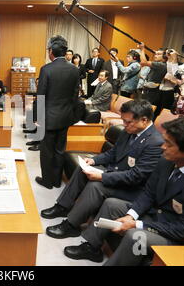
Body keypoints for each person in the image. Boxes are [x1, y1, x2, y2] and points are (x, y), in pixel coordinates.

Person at [63, 117, 184, 265]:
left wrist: (137, 224)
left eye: (169, 144)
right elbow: (149, 193)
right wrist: (131, 216)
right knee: (112, 205)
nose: (162, 147)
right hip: (155, 214)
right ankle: (92, 247)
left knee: (136, 236)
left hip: (173, 233)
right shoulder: (166, 161)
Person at [42, 100, 164, 240]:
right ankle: (63, 206)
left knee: (96, 186)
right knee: (84, 169)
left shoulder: (155, 143)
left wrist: (103, 177)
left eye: (128, 122)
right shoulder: (129, 130)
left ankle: (71, 225)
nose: (124, 125)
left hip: (132, 188)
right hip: (117, 174)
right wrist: (93, 161)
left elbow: (136, 176)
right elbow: (113, 153)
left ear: (144, 120)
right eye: (123, 121)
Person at [35, 35, 80, 189]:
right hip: (65, 117)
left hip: (48, 118)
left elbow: (40, 96)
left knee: (46, 151)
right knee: (60, 150)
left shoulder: (46, 69)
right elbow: (75, 96)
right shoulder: (74, 70)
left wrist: (36, 117)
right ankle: (56, 180)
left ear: (51, 52)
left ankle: (47, 181)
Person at [139, 43, 168, 107]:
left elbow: (143, 62)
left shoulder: (161, 65)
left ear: (165, 56)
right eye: (155, 54)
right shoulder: (159, 64)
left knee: (145, 111)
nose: (155, 55)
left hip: (152, 93)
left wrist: (142, 49)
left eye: (158, 54)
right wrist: (156, 53)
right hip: (149, 91)